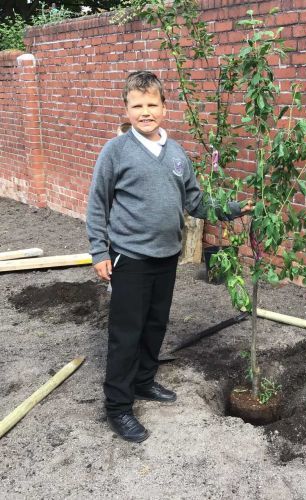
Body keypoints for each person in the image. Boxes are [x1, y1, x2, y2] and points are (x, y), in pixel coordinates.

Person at [86, 70, 248, 443]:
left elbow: (194, 201)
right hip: (129, 257)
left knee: (155, 324)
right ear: (126, 110)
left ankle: (143, 382)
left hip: (166, 256)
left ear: (164, 108)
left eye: (152, 104)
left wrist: (232, 207)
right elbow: (98, 204)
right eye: (137, 105)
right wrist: (99, 250)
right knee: (126, 334)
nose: (145, 112)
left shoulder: (176, 153)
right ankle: (118, 407)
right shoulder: (116, 152)